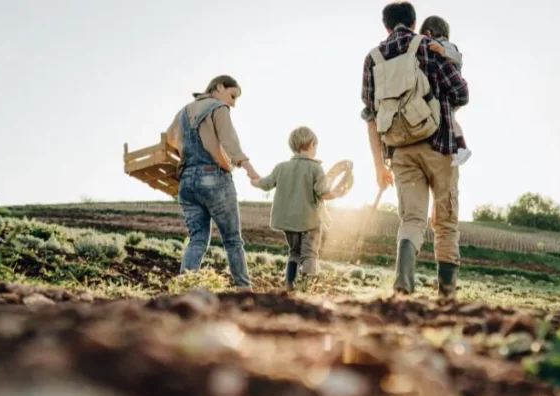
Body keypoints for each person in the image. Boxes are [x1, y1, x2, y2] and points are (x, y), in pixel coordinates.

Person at [360, 2, 469, 299]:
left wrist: (378, 166)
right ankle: (446, 295)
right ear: (414, 21)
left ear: (386, 26)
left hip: (399, 151)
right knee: (445, 220)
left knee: (411, 220)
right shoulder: (428, 46)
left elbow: (370, 115)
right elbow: (461, 92)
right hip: (440, 144)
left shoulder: (373, 58)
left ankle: (403, 285)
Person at [166, 75, 260, 291]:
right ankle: (244, 291)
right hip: (213, 177)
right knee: (233, 241)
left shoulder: (184, 111)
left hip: (187, 181)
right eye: (232, 95)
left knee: (197, 239)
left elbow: (170, 139)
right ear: (219, 87)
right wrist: (251, 172)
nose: (233, 103)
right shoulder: (218, 108)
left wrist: (186, 150)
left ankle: (184, 289)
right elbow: (231, 144)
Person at [252, 126, 344, 291]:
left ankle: (290, 283)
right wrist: (336, 193)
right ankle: (307, 284)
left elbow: (265, 184)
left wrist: (255, 181)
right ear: (311, 145)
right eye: (315, 146)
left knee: (294, 252)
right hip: (310, 221)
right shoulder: (316, 168)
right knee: (309, 253)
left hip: (288, 221)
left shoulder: (281, 167)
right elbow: (323, 193)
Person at [419, 15, 471, 167]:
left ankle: (462, 147)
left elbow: (458, 57)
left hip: (451, 93)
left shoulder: (447, 46)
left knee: (449, 118)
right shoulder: (442, 45)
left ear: (428, 33)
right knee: (449, 119)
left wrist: (442, 50)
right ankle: (460, 146)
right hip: (448, 93)